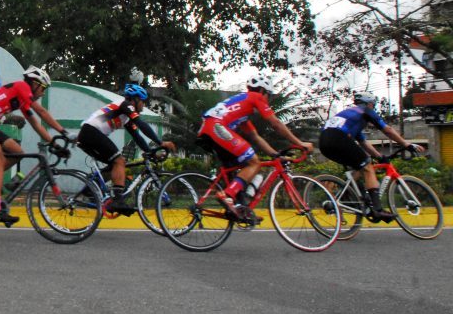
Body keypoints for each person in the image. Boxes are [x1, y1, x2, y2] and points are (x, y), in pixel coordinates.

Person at [198, 74, 313, 223]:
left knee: (238, 170)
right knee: (254, 162)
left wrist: (275, 155)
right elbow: (276, 124)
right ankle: (227, 195)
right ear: (262, 91)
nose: (267, 100)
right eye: (268, 96)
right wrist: (301, 143)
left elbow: (255, 137)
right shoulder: (255, 96)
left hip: (207, 129)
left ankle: (242, 210)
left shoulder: (241, 110)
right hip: (217, 127)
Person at [0, 65, 69, 224]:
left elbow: (36, 124)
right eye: (43, 88)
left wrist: (54, 143)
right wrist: (63, 131)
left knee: (17, 152)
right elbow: (42, 112)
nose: (43, 92)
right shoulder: (22, 87)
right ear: (34, 83)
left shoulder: (22, 100)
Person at [319, 92, 422, 223]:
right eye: (373, 105)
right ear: (369, 104)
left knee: (360, 166)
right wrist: (406, 144)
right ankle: (377, 210)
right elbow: (388, 130)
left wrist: (379, 156)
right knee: (367, 166)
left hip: (324, 142)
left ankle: (346, 196)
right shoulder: (365, 111)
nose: (374, 107)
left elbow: (363, 142)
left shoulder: (350, 115)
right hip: (339, 138)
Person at [76, 83, 175, 214]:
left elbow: (137, 136)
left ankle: (87, 192)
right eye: (143, 102)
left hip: (88, 133)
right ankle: (117, 200)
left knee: (114, 164)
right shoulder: (125, 105)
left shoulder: (126, 117)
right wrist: (160, 142)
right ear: (135, 100)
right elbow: (141, 123)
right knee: (119, 161)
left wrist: (150, 152)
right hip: (91, 132)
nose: (143, 106)